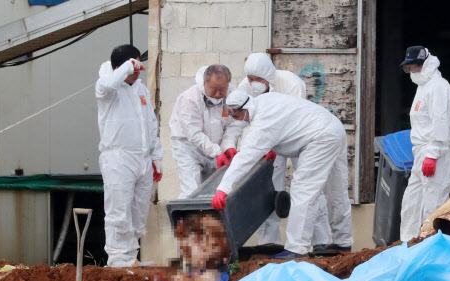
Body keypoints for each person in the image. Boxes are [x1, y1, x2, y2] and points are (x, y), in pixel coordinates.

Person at [211, 90, 354, 259]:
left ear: (244, 110)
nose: (234, 118)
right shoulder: (264, 101)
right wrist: (273, 148)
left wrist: (224, 188)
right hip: (334, 127)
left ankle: (296, 248)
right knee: (337, 190)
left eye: (235, 115)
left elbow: (245, 158)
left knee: (303, 189)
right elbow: (288, 122)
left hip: (320, 137)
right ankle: (343, 243)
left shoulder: (263, 122)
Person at [237, 53, 330, 250]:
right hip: (268, 142)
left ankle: (320, 242)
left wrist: (270, 143)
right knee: (268, 190)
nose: (253, 84)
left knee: (310, 188)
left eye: (258, 80)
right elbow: (242, 120)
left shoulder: (292, 84)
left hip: (300, 138)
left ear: (268, 75)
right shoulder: (244, 87)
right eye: (250, 79)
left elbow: (294, 119)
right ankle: (269, 244)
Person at [96, 44, 164, 267]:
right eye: (133, 67)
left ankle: (130, 257)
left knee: (139, 211)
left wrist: (156, 157)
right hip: (118, 158)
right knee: (119, 210)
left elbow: (150, 124)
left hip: (142, 158)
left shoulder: (141, 90)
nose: (137, 71)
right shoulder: (107, 88)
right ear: (120, 67)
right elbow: (108, 83)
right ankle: (117, 259)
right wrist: (125, 68)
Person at [399, 46, 450, 242]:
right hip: (422, 152)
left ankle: (431, 243)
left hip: (436, 152)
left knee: (433, 202)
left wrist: (432, 153)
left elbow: (439, 121)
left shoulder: (438, 87)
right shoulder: (423, 87)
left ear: (423, 64)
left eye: (413, 67)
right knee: (412, 201)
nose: (412, 72)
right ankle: (409, 241)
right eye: (408, 68)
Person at [169, 65, 244, 199]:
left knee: (215, 191)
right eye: (213, 89)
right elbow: (194, 134)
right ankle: (185, 219)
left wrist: (228, 146)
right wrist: (216, 152)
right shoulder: (189, 99)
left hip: (217, 146)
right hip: (189, 148)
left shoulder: (234, 94)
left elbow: (234, 124)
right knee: (192, 191)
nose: (218, 94)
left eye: (222, 90)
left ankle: (210, 220)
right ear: (204, 83)